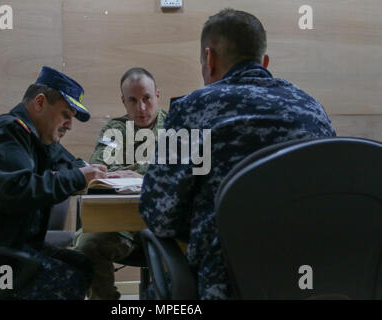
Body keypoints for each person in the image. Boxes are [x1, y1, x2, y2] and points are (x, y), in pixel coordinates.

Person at [139, 8, 336, 299]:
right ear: (264, 62)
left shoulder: (192, 108)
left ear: (209, 58)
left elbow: (158, 215)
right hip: (312, 278)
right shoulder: (312, 109)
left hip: (224, 283)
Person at [0, 66, 107, 299]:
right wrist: (78, 176)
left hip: (5, 249)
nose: (69, 125)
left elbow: (72, 165)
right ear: (40, 103)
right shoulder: (5, 134)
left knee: (82, 265)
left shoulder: (37, 140)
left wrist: (91, 173)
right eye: (65, 115)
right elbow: (16, 191)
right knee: (68, 277)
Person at [71, 67, 167, 300]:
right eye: (133, 100)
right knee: (86, 244)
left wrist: (141, 176)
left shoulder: (177, 127)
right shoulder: (115, 130)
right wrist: (152, 173)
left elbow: (185, 174)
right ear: (123, 101)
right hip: (120, 220)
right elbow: (100, 170)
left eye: (146, 98)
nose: (141, 108)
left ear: (157, 95)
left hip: (166, 222)